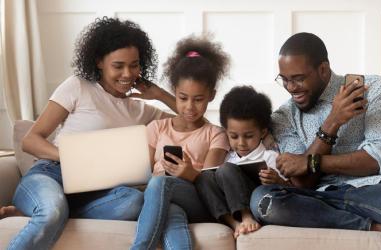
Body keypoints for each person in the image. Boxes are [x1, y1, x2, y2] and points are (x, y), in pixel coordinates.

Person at [4, 17, 177, 250]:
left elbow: (195, 122)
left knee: (135, 201)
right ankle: (49, 208)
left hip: (96, 193)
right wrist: (73, 158)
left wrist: (161, 95)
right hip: (52, 174)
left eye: (134, 65)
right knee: (52, 210)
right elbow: (31, 141)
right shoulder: (78, 86)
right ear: (99, 62)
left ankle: (46, 209)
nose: (128, 74)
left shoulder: (142, 110)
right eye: (118, 66)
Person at [250, 32, 381, 234]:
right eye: (284, 79)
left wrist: (312, 162)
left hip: (377, 189)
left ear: (323, 69)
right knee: (263, 199)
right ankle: (370, 227)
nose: (291, 88)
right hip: (321, 198)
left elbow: (380, 160)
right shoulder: (284, 116)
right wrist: (332, 122)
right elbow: (303, 182)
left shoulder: (374, 89)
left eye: (298, 78)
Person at [132, 35, 231, 250]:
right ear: (175, 93)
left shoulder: (216, 134)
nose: (189, 107)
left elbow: (212, 185)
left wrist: (190, 174)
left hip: (198, 200)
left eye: (198, 99)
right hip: (161, 197)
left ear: (211, 96)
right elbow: (142, 174)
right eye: (183, 98)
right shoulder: (157, 128)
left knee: (161, 183)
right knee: (172, 211)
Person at [195, 86, 289, 238]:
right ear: (226, 132)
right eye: (234, 136)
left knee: (226, 169)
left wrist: (276, 180)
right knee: (204, 177)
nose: (241, 143)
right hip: (230, 208)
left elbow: (289, 192)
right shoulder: (227, 156)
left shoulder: (270, 157)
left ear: (263, 132)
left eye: (248, 136)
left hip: (256, 204)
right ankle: (234, 224)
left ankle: (246, 216)